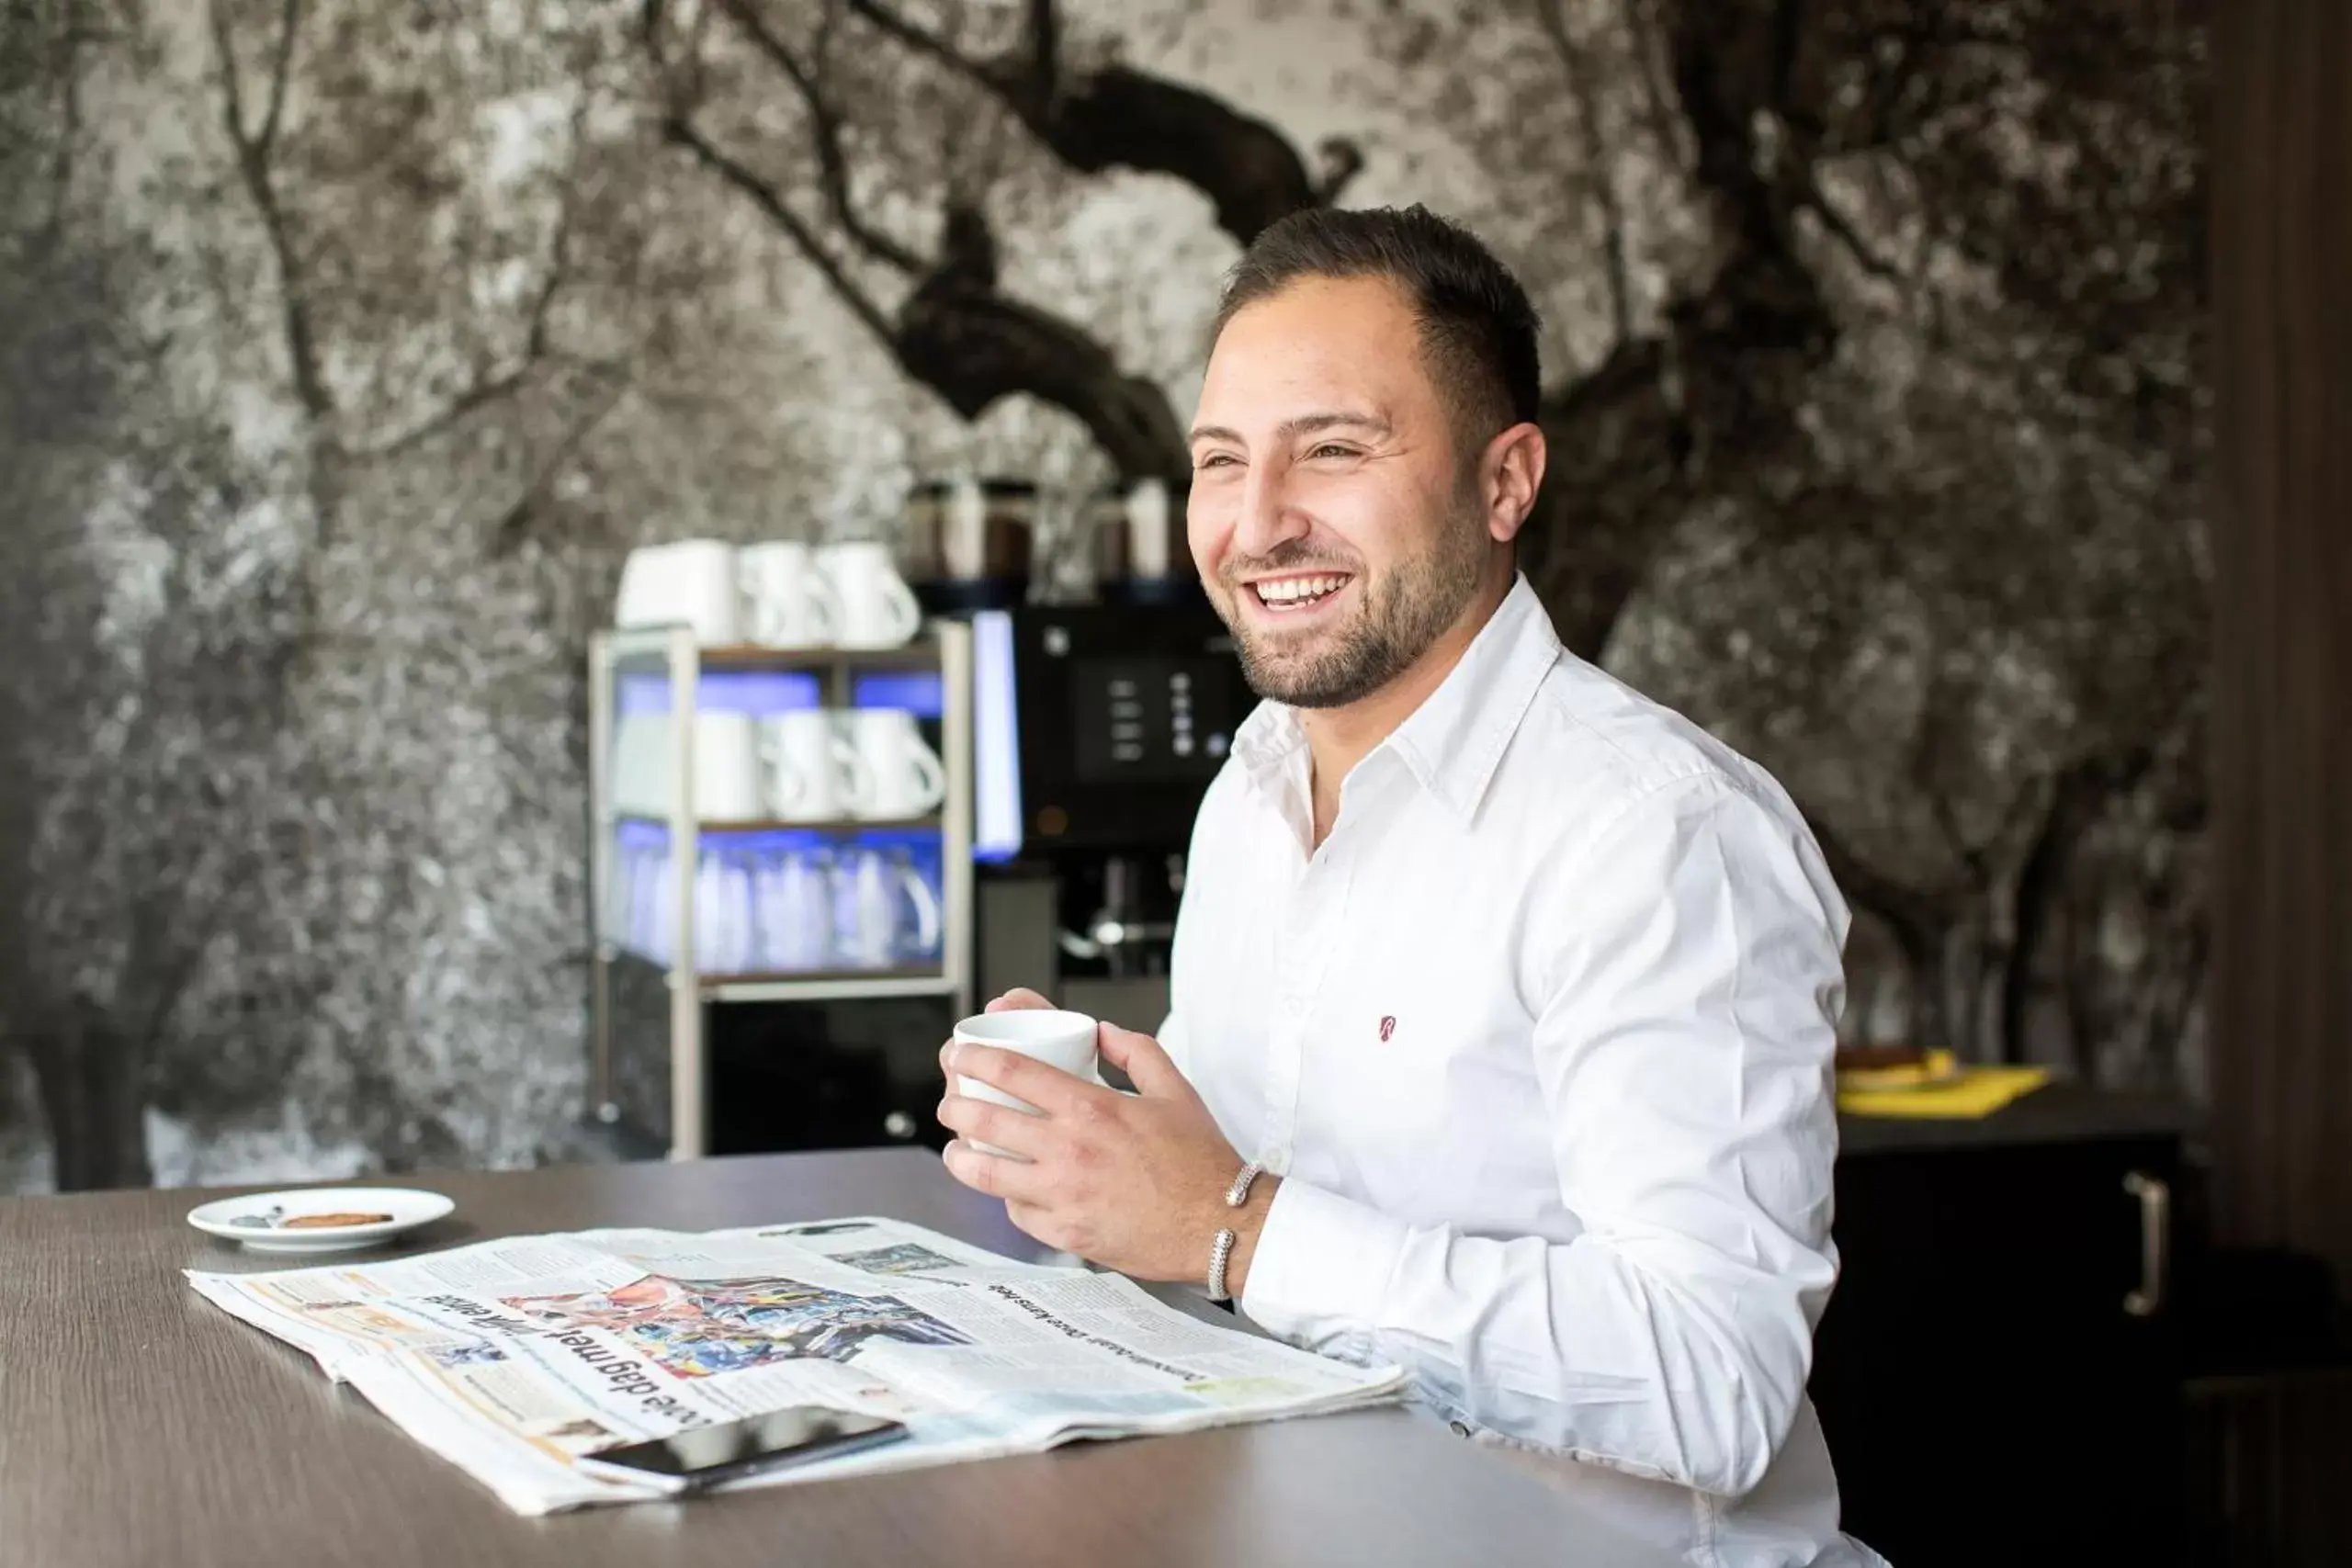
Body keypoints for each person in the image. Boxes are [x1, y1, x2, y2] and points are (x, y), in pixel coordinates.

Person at [936, 205, 1884, 1567]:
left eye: (1334, 449)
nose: (1257, 523)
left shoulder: (1663, 837)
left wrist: (1229, 1227)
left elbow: (1710, 1381)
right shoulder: (1250, 792)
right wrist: (1104, 1150)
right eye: (1220, 462)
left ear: (1506, 483)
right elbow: (1220, 1199)